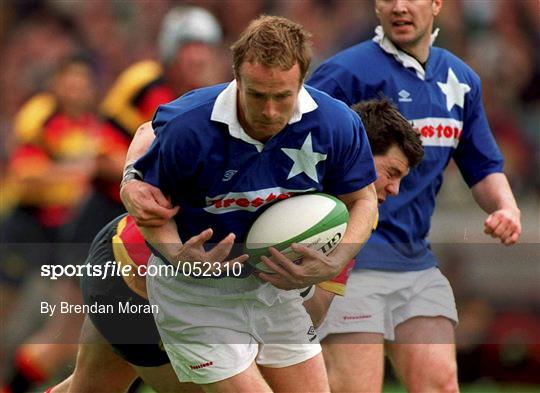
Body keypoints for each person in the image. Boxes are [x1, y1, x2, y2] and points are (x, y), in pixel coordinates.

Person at [47, 97, 423, 393]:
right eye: (391, 173)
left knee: (90, 388)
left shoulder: (344, 223)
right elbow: (151, 128)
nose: (394, 190)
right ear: (358, 149)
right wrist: (131, 180)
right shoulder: (287, 145)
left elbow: (308, 315)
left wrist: (303, 281)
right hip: (134, 283)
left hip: (124, 262)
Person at [132, 15, 378, 392]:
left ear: (302, 81)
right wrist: (178, 254)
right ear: (236, 78)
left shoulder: (335, 124)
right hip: (194, 294)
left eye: (282, 96)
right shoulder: (188, 127)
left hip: (275, 292)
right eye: (257, 95)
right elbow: (149, 210)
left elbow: (364, 200)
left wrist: (336, 260)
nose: (269, 111)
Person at [306, 0, 522, 392]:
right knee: (356, 388)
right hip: (351, 259)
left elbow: (483, 165)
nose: (400, 7)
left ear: (438, 4)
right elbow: (293, 148)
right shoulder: (344, 73)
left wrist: (505, 207)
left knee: (440, 385)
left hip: (415, 261)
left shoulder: (461, 80)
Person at [0, 55, 102, 393]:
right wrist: (73, 175)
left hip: (65, 232)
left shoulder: (92, 125)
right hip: (26, 225)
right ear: (56, 83)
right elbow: (24, 175)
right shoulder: (41, 115)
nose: (76, 88)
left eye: (82, 81)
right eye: (69, 80)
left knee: (59, 323)